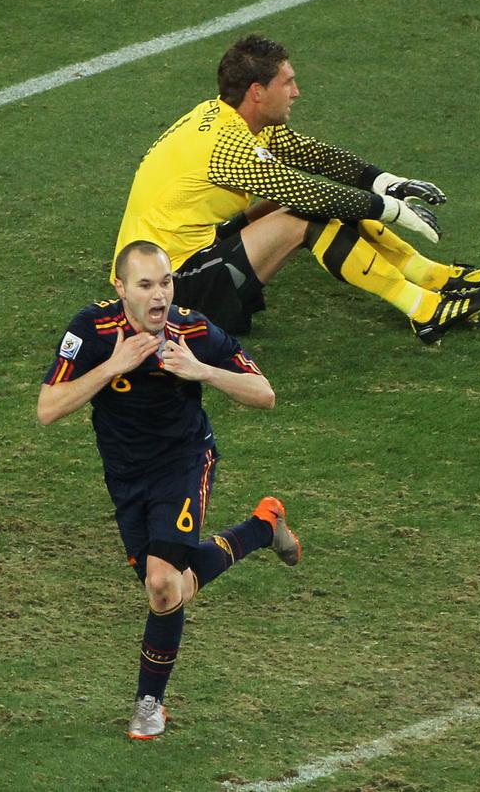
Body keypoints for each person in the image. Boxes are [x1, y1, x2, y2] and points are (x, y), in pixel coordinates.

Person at [38, 240, 302, 740]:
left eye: (166, 282)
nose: (159, 296)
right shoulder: (90, 330)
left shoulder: (194, 330)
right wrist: (112, 367)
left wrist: (201, 370)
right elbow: (48, 408)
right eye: (145, 285)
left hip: (183, 465)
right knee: (172, 588)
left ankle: (149, 704)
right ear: (119, 288)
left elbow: (264, 395)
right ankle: (262, 528)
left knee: (162, 585)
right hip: (125, 479)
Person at [113, 34, 480, 343]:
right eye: (287, 82)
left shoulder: (225, 117)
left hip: (185, 259)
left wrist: (386, 182)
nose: (296, 91)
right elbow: (306, 193)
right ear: (257, 91)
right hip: (168, 292)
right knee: (304, 215)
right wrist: (393, 210)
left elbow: (313, 156)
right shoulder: (224, 146)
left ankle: (434, 277)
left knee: (303, 202)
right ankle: (425, 310)